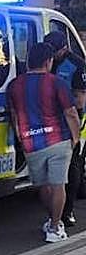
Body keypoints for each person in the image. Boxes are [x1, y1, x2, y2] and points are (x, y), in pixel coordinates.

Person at [6, 41, 81, 243]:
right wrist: (75, 138)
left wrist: (20, 136)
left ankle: (52, 219)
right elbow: (71, 112)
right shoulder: (56, 82)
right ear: (48, 61)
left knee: (43, 186)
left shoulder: (15, 85)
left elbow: (14, 114)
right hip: (58, 140)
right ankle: (55, 226)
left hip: (31, 142)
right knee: (58, 185)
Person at [44, 31, 86, 227]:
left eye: (55, 51)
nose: (52, 56)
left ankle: (67, 211)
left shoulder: (77, 65)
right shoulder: (47, 61)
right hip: (50, 119)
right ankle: (54, 211)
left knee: (72, 166)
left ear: (64, 48)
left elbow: (79, 99)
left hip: (70, 120)